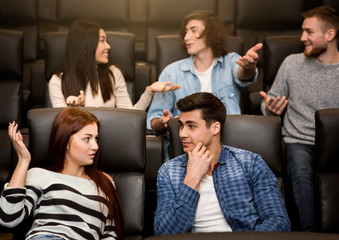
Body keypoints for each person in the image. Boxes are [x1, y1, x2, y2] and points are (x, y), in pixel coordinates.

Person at [154, 92, 291, 235]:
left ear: (215, 128)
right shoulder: (169, 172)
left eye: (191, 126)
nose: (182, 133)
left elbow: (278, 221)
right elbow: (163, 233)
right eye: (181, 125)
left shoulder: (250, 163)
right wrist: (192, 179)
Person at [260, 6, 339, 231]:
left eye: (309, 32)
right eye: (302, 31)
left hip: (334, 143)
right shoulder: (291, 63)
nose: (302, 38)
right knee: (301, 173)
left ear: (330, 35)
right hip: (299, 141)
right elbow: (269, 102)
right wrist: (271, 108)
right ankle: (309, 234)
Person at [0, 108, 123, 240]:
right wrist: (23, 161)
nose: (95, 146)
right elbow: (8, 218)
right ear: (65, 140)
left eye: (96, 139)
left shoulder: (105, 182)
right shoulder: (39, 174)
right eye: (87, 139)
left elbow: (109, 233)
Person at [147, 10, 262, 133]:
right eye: (186, 32)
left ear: (211, 33)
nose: (186, 37)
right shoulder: (171, 72)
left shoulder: (230, 61)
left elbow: (243, 74)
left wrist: (248, 67)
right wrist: (162, 122)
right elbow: (152, 121)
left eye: (194, 30)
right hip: (187, 145)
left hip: (227, 141)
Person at [49, 19, 180, 109]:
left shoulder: (113, 74)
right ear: (85, 47)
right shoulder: (57, 81)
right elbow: (62, 128)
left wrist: (150, 91)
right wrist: (77, 111)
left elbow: (130, 116)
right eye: (102, 41)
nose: (108, 46)